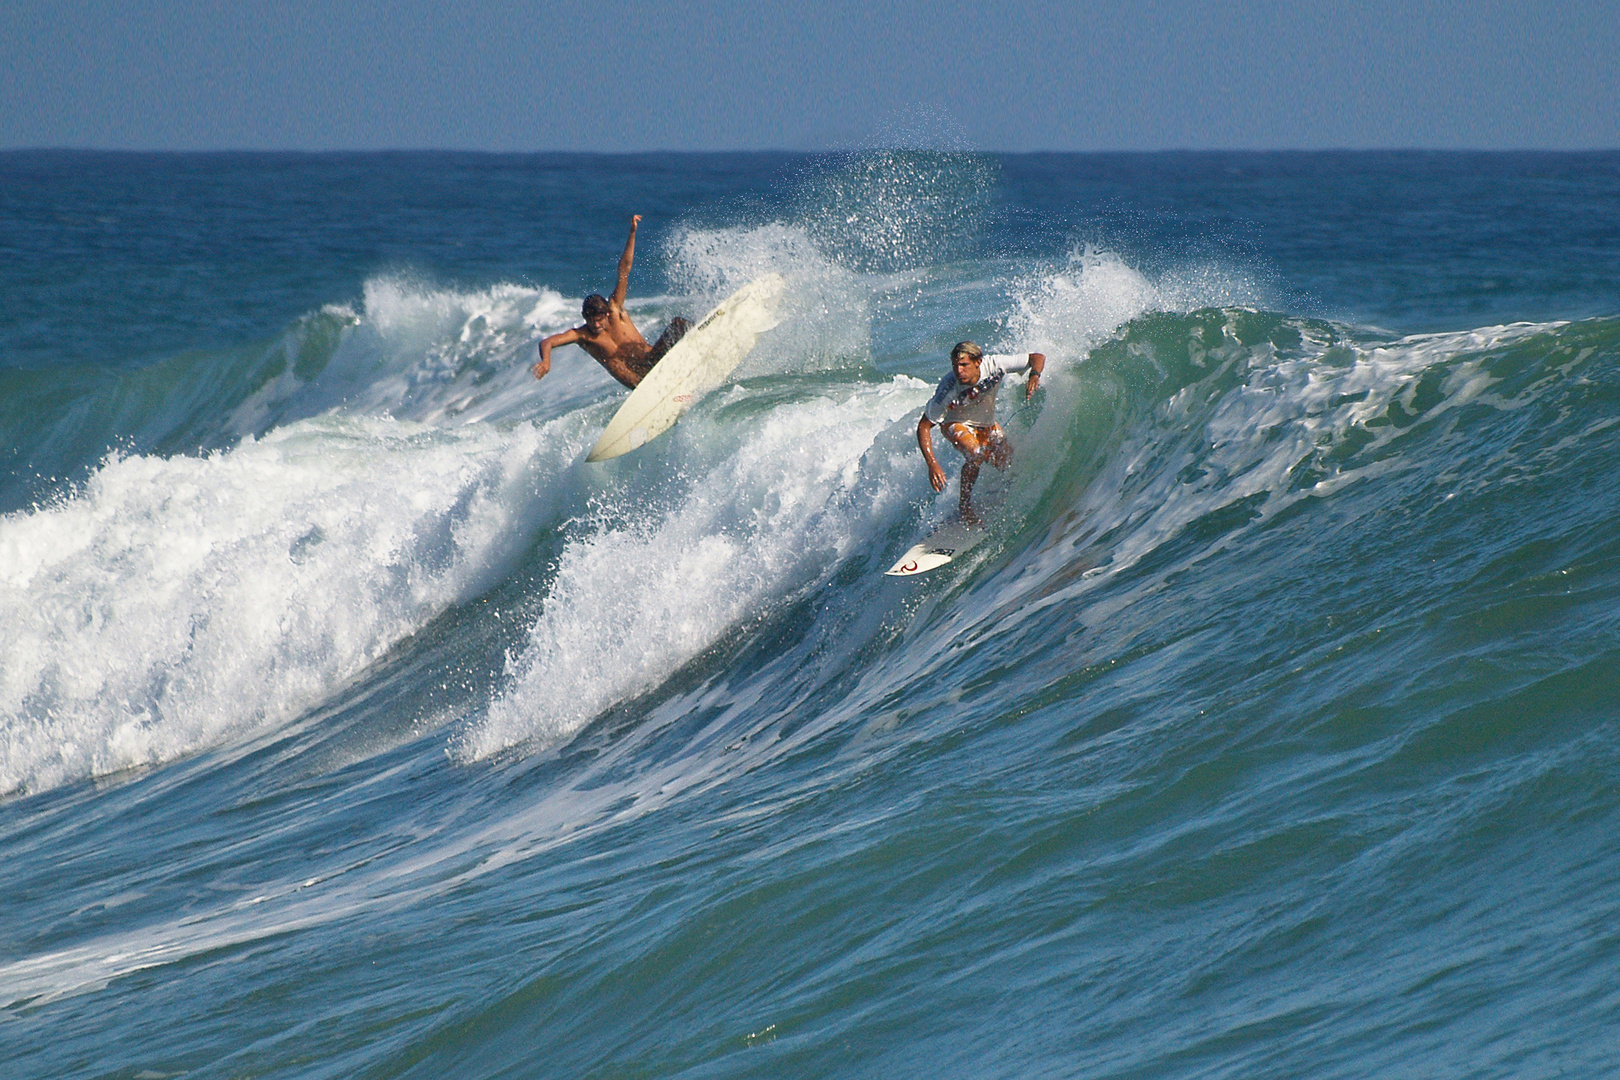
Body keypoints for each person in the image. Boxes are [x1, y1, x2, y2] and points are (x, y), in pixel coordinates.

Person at [531, 214, 691, 390]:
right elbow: (547, 342)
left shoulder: (615, 310)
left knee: (679, 323)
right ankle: (646, 389)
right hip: (637, 380)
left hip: (653, 360)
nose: (596, 325)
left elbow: (624, 268)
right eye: (591, 321)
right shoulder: (583, 335)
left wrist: (632, 233)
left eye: (600, 320)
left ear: (606, 314)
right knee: (613, 361)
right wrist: (546, 361)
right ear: (585, 317)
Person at [916, 340, 1046, 523]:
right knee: (975, 453)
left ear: (978, 362)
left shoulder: (995, 364)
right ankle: (964, 506)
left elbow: (1037, 358)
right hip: (955, 423)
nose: (958, 371)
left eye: (964, 365)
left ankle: (997, 492)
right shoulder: (948, 388)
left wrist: (1034, 375)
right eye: (955, 366)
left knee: (1007, 463)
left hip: (985, 424)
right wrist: (932, 464)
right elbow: (924, 426)